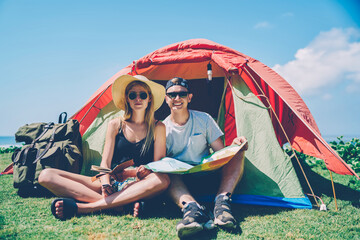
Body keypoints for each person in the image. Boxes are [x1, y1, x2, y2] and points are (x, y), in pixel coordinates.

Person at [38, 75, 170, 220]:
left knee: (162, 179)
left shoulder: (158, 127)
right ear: (127, 98)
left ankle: (86, 208)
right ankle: (121, 206)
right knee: (46, 175)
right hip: (111, 179)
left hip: (138, 183)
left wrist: (132, 173)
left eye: (142, 95)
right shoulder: (115, 124)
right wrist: (106, 183)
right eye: (133, 95)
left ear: (149, 98)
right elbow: (105, 163)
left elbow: (157, 165)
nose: (138, 99)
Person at [163, 77, 248, 238]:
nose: (177, 98)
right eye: (172, 94)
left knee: (237, 151)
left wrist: (235, 146)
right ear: (166, 99)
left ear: (189, 97)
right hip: (181, 183)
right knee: (165, 171)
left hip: (207, 174)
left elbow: (221, 153)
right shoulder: (162, 128)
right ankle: (191, 209)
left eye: (182, 94)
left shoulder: (204, 119)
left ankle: (222, 205)